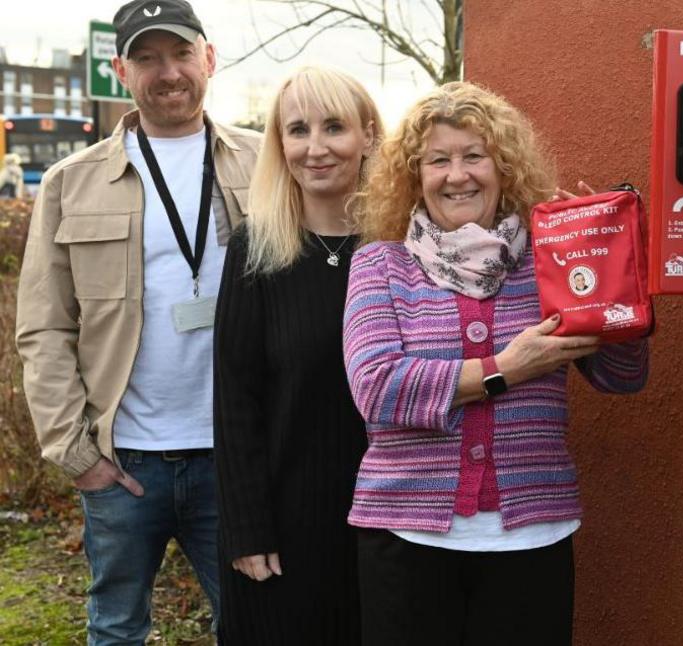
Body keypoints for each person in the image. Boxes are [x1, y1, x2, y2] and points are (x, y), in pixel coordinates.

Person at [344, 81, 649, 645]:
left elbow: (623, 377)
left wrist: (613, 273)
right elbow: (377, 387)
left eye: (474, 156)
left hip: (531, 536)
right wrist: (504, 367)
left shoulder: (547, 261)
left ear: (503, 167)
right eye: (438, 160)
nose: (457, 174)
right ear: (416, 177)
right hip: (407, 538)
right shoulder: (380, 265)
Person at [14, 1, 260, 642]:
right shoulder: (71, 182)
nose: (167, 72)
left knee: (253, 623)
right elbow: (43, 327)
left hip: (232, 457)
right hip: (124, 463)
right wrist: (77, 454)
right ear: (121, 69)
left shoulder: (269, 165)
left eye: (180, 54)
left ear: (209, 58)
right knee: (116, 628)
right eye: (147, 58)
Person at [212, 66, 379, 644]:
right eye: (297, 130)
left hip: (391, 524)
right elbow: (235, 399)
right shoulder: (256, 250)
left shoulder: (403, 247)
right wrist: (246, 529)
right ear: (279, 146)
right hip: (284, 529)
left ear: (368, 136)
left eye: (334, 127)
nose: (315, 147)